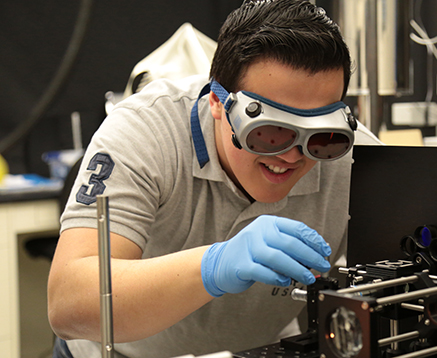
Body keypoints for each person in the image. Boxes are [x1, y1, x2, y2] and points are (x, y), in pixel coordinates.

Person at [47, 1, 381, 357]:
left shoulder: (356, 157)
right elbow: (68, 305)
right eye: (269, 133)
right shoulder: (146, 131)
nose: (292, 156)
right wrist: (211, 267)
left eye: (319, 137)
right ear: (217, 103)